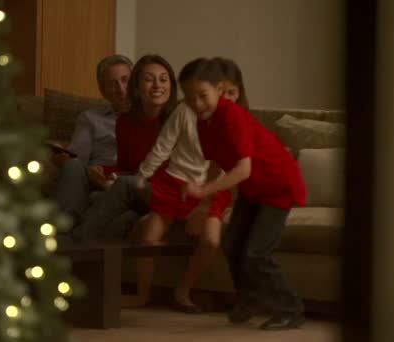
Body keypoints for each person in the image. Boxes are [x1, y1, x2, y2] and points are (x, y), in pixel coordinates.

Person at [179, 57, 307, 330]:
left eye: (202, 95)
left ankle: (291, 309)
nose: (196, 104)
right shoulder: (204, 122)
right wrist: (204, 203)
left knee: (256, 253)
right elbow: (216, 163)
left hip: (277, 185)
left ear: (221, 89)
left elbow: (243, 169)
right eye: (189, 97)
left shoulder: (232, 114)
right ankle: (251, 300)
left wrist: (203, 190)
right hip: (254, 189)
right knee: (233, 245)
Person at [121, 58, 248, 312]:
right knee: (148, 236)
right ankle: (142, 294)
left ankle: (183, 291)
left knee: (211, 241)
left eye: (232, 93)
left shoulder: (236, 120)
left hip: (210, 188)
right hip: (174, 183)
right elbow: (162, 147)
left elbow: (224, 168)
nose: (226, 98)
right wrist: (141, 177)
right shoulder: (185, 110)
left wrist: (204, 204)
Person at [71, 54, 178, 241]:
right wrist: (104, 171)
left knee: (123, 185)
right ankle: (95, 268)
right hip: (141, 192)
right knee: (123, 220)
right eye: (148, 80)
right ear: (136, 87)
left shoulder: (181, 120)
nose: (157, 86)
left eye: (163, 79)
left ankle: (74, 243)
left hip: (173, 193)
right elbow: (125, 167)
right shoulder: (125, 122)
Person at [52, 54, 132, 224]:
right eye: (113, 84)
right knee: (72, 165)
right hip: (96, 177)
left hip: (130, 177)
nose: (121, 89)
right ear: (102, 91)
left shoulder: (151, 116)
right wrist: (65, 158)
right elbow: (77, 156)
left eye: (126, 80)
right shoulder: (90, 118)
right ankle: (63, 229)